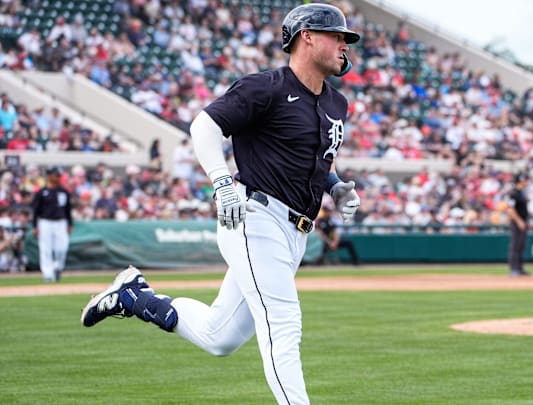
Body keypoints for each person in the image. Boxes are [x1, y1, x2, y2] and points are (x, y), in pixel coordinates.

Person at [80, 4, 361, 405]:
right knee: (283, 322)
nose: (344, 45)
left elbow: (312, 159)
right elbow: (203, 126)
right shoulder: (265, 87)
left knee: (220, 336)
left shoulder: (337, 103)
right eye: (337, 36)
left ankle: (133, 297)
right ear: (307, 37)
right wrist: (221, 182)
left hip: (295, 231)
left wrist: (335, 188)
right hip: (255, 217)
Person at [31, 166, 73, 282]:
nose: (59, 177)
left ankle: (57, 267)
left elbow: (68, 209)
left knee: (62, 248)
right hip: (45, 222)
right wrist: (35, 226)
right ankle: (47, 274)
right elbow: (35, 211)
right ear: (49, 176)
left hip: (61, 222)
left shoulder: (64, 192)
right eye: (57, 175)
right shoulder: (41, 192)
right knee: (45, 249)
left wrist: (70, 223)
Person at [506, 173, 530, 276]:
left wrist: (526, 221)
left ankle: (519, 268)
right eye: (524, 180)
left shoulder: (521, 193)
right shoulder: (514, 193)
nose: (526, 182)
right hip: (516, 223)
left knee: (521, 245)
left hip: (523, 222)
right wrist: (519, 221)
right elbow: (510, 210)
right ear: (520, 181)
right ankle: (514, 269)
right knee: (515, 245)